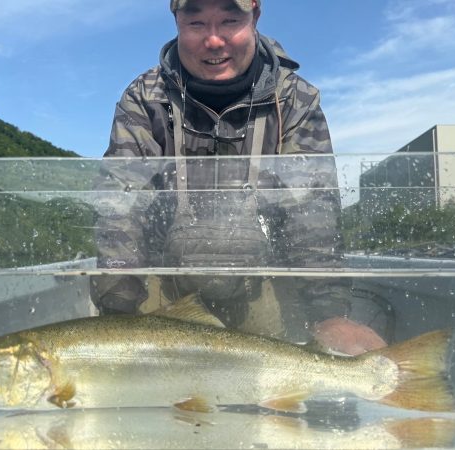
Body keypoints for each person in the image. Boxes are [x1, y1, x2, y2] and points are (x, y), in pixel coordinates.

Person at [92, 0, 392, 355]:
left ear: (255, 18)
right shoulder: (144, 98)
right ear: (176, 22)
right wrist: (117, 311)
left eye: (230, 21)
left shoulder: (295, 99)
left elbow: (312, 213)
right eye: (197, 23)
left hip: (265, 285)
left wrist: (329, 314)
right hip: (165, 290)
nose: (214, 40)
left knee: (272, 404)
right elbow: (122, 209)